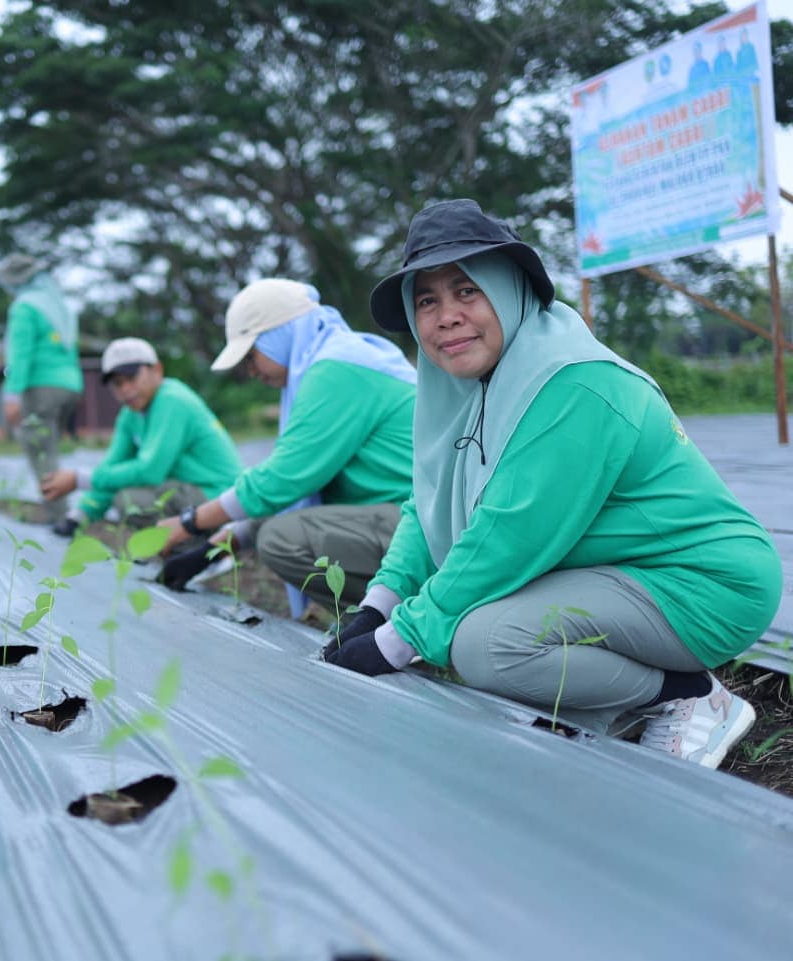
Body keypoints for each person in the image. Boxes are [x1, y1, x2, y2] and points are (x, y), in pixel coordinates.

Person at [323, 198, 781, 770]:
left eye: (467, 290)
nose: (446, 316)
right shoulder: (471, 386)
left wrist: (399, 639)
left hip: (701, 583)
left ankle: (687, 697)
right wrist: (378, 606)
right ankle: (624, 697)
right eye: (427, 300)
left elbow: (507, 537)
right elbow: (429, 502)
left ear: (511, 289)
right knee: (476, 629)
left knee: (487, 644)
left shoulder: (572, 383)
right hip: (615, 572)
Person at [158, 280, 416, 614]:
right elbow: (289, 492)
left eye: (252, 355)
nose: (251, 371)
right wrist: (210, 550)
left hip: (421, 525)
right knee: (279, 524)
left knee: (281, 539)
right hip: (395, 516)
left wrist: (190, 523)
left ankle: (399, 619)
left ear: (278, 335)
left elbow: (281, 480)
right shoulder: (334, 357)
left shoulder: (338, 369)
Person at [40, 337, 244, 538]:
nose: (125, 389)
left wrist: (78, 479)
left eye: (131, 378)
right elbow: (112, 465)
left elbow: (150, 471)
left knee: (130, 501)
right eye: (117, 383)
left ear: (157, 370)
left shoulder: (172, 401)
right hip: (189, 490)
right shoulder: (131, 415)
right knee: (124, 486)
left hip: (218, 495)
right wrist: (79, 516)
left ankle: (197, 547)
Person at [0, 253, 84, 531]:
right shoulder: (60, 305)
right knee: (51, 447)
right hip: (70, 384)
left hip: (40, 386)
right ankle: (63, 509)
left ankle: (60, 516)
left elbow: (20, 355)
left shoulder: (25, 307)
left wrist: (11, 395)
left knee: (41, 450)